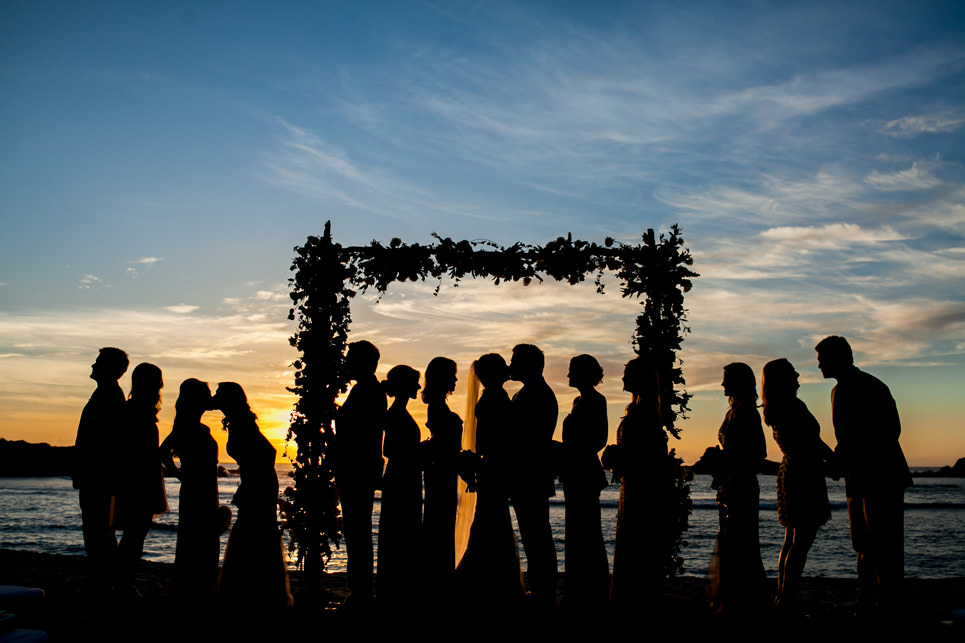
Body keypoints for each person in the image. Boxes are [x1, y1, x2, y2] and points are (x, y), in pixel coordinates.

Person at [815, 336, 912, 614]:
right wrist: (840, 461)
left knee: (886, 545)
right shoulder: (837, 391)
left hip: (882, 477)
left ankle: (889, 604)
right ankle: (867, 600)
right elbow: (846, 438)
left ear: (840, 358)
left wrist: (845, 461)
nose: (818, 365)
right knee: (863, 542)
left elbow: (889, 432)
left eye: (822, 359)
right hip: (856, 477)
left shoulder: (872, 386)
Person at [761, 358, 833, 611]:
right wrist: (832, 462)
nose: (798, 375)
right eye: (792, 373)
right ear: (783, 379)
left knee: (793, 538)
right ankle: (785, 600)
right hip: (803, 473)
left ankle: (782, 597)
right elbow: (811, 442)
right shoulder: (791, 406)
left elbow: (813, 441)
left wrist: (831, 459)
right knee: (800, 540)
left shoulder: (780, 406)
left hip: (795, 471)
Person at [214, 382, 293, 609]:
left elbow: (268, 452)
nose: (215, 397)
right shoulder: (239, 419)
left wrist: (253, 479)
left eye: (220, 394)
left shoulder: (242, 421)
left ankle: (251, 591)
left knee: (252, 531)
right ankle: (255, 589)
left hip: (259, 484)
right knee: (253, 531)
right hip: (257, 482)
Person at [454, 354, 525, 606]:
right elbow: (496, 439)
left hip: (492, 469)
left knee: (491, 522)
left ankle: (485, 580)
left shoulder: (492, 396)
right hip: (495, 469)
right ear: (495, 373)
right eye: (503, 365)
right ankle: (493, 582)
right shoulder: (495, 397)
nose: (508, 368)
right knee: (493, 523)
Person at [605, 356, 670, 606]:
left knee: (637, 545)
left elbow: (647, 455)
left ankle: (635, 600)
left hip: (641, 489)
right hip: (630, 485)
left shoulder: (646, 414)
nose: (622, 378)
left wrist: (618, 456)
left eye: (627, 374)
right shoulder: (637, 409)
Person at [706, 362, 767, 615]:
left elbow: (757, 455)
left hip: (741, 485)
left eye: (726, 379)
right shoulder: (731, 412)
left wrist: (724, 459)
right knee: (730, 541)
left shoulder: (748, 413)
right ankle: (732, 599)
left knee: (743, 542)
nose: (722, 384)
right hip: (728, 486)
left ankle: (744, 601)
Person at [334, 340, 387, 606]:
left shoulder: (368, 390)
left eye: (350, 358)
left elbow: (358, 433)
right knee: (357, 531)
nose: (345, 363)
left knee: (358, 532)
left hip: (358, 470)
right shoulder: (366, 389)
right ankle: (360, 590)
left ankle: (361, 592)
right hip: (358, 470)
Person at [160, 378, 223, 600]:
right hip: (195, 490)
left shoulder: (201, 427)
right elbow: (163, 452)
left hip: (208, 488)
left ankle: (202, 587)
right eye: (206, 395)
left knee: (206, 539)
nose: (210, 399)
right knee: (197, 540)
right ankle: (194, 590)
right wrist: (179, 474)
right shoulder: (185, 426)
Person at [73, 347, 129, 592]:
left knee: (98, 532)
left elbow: (105, 441)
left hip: (99, 477)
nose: (92, 366)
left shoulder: (110, 395)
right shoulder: (106, 394)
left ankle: (105, 584)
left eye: (97, 362)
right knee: (98, 531)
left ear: (109, 367)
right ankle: (105, 582)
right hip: (96, 475)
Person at [507, 343, 559, 605]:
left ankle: (544, 591)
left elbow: (529, 438)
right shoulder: (526, 392)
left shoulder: (539, 394)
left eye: (514, 362)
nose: (510, 366)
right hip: (526, 477)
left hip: (532, 476)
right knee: (533, 535)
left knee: (537, 535)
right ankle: (542, 588)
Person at [114, 362, 168, 597]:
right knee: (134, 537)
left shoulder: (138, 410)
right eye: (157, 381)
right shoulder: (135, 411)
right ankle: (124, 585)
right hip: (140, 482)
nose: (160, 386)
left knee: (134, 536)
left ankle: (123, 582)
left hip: (143, 479)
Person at [560, 354, 609, 606]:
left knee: (588, 530)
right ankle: (578, 585)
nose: (568, 376)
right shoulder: (577, 401)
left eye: (572, 371)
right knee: (576, 530)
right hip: (572, 471)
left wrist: (571, 451)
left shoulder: (597, 401)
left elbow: (599, 439)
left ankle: (592, 587)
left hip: (585, 472)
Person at [377, 365, 424, 607]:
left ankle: (398, 585)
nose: (418, 387)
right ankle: (396, 588)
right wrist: (421, 451)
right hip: (401, 478)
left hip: (406, 476)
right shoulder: (395, 413)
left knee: (402, 530)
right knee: (400, 529)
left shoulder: (399, 411)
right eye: (415, 382)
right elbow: (389, 450)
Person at [421, 356, 463, 590]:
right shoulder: (436, 404)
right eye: (452, 374)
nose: (456, 379)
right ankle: (439, 578)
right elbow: (441, 444)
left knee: (442, 524)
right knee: (440, 524)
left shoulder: (438, 403)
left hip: (444, 471)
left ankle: (439, 575)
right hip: (441, 473)